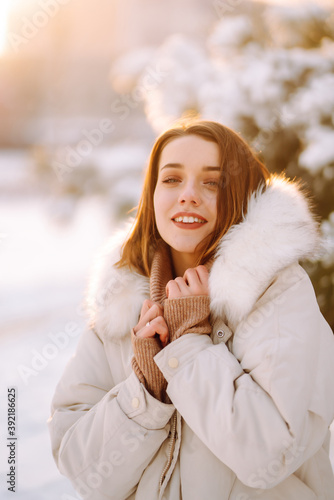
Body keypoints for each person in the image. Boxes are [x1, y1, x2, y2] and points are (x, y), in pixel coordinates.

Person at [48, 120, 334, 500]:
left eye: (212, 182)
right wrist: (147, 388)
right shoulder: (121, 303)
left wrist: (190, 349)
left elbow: (270, 453)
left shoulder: (279, 293)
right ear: (152, 193)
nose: (188, 195)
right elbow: (87, 474)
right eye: (171, 179)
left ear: (242, 195)